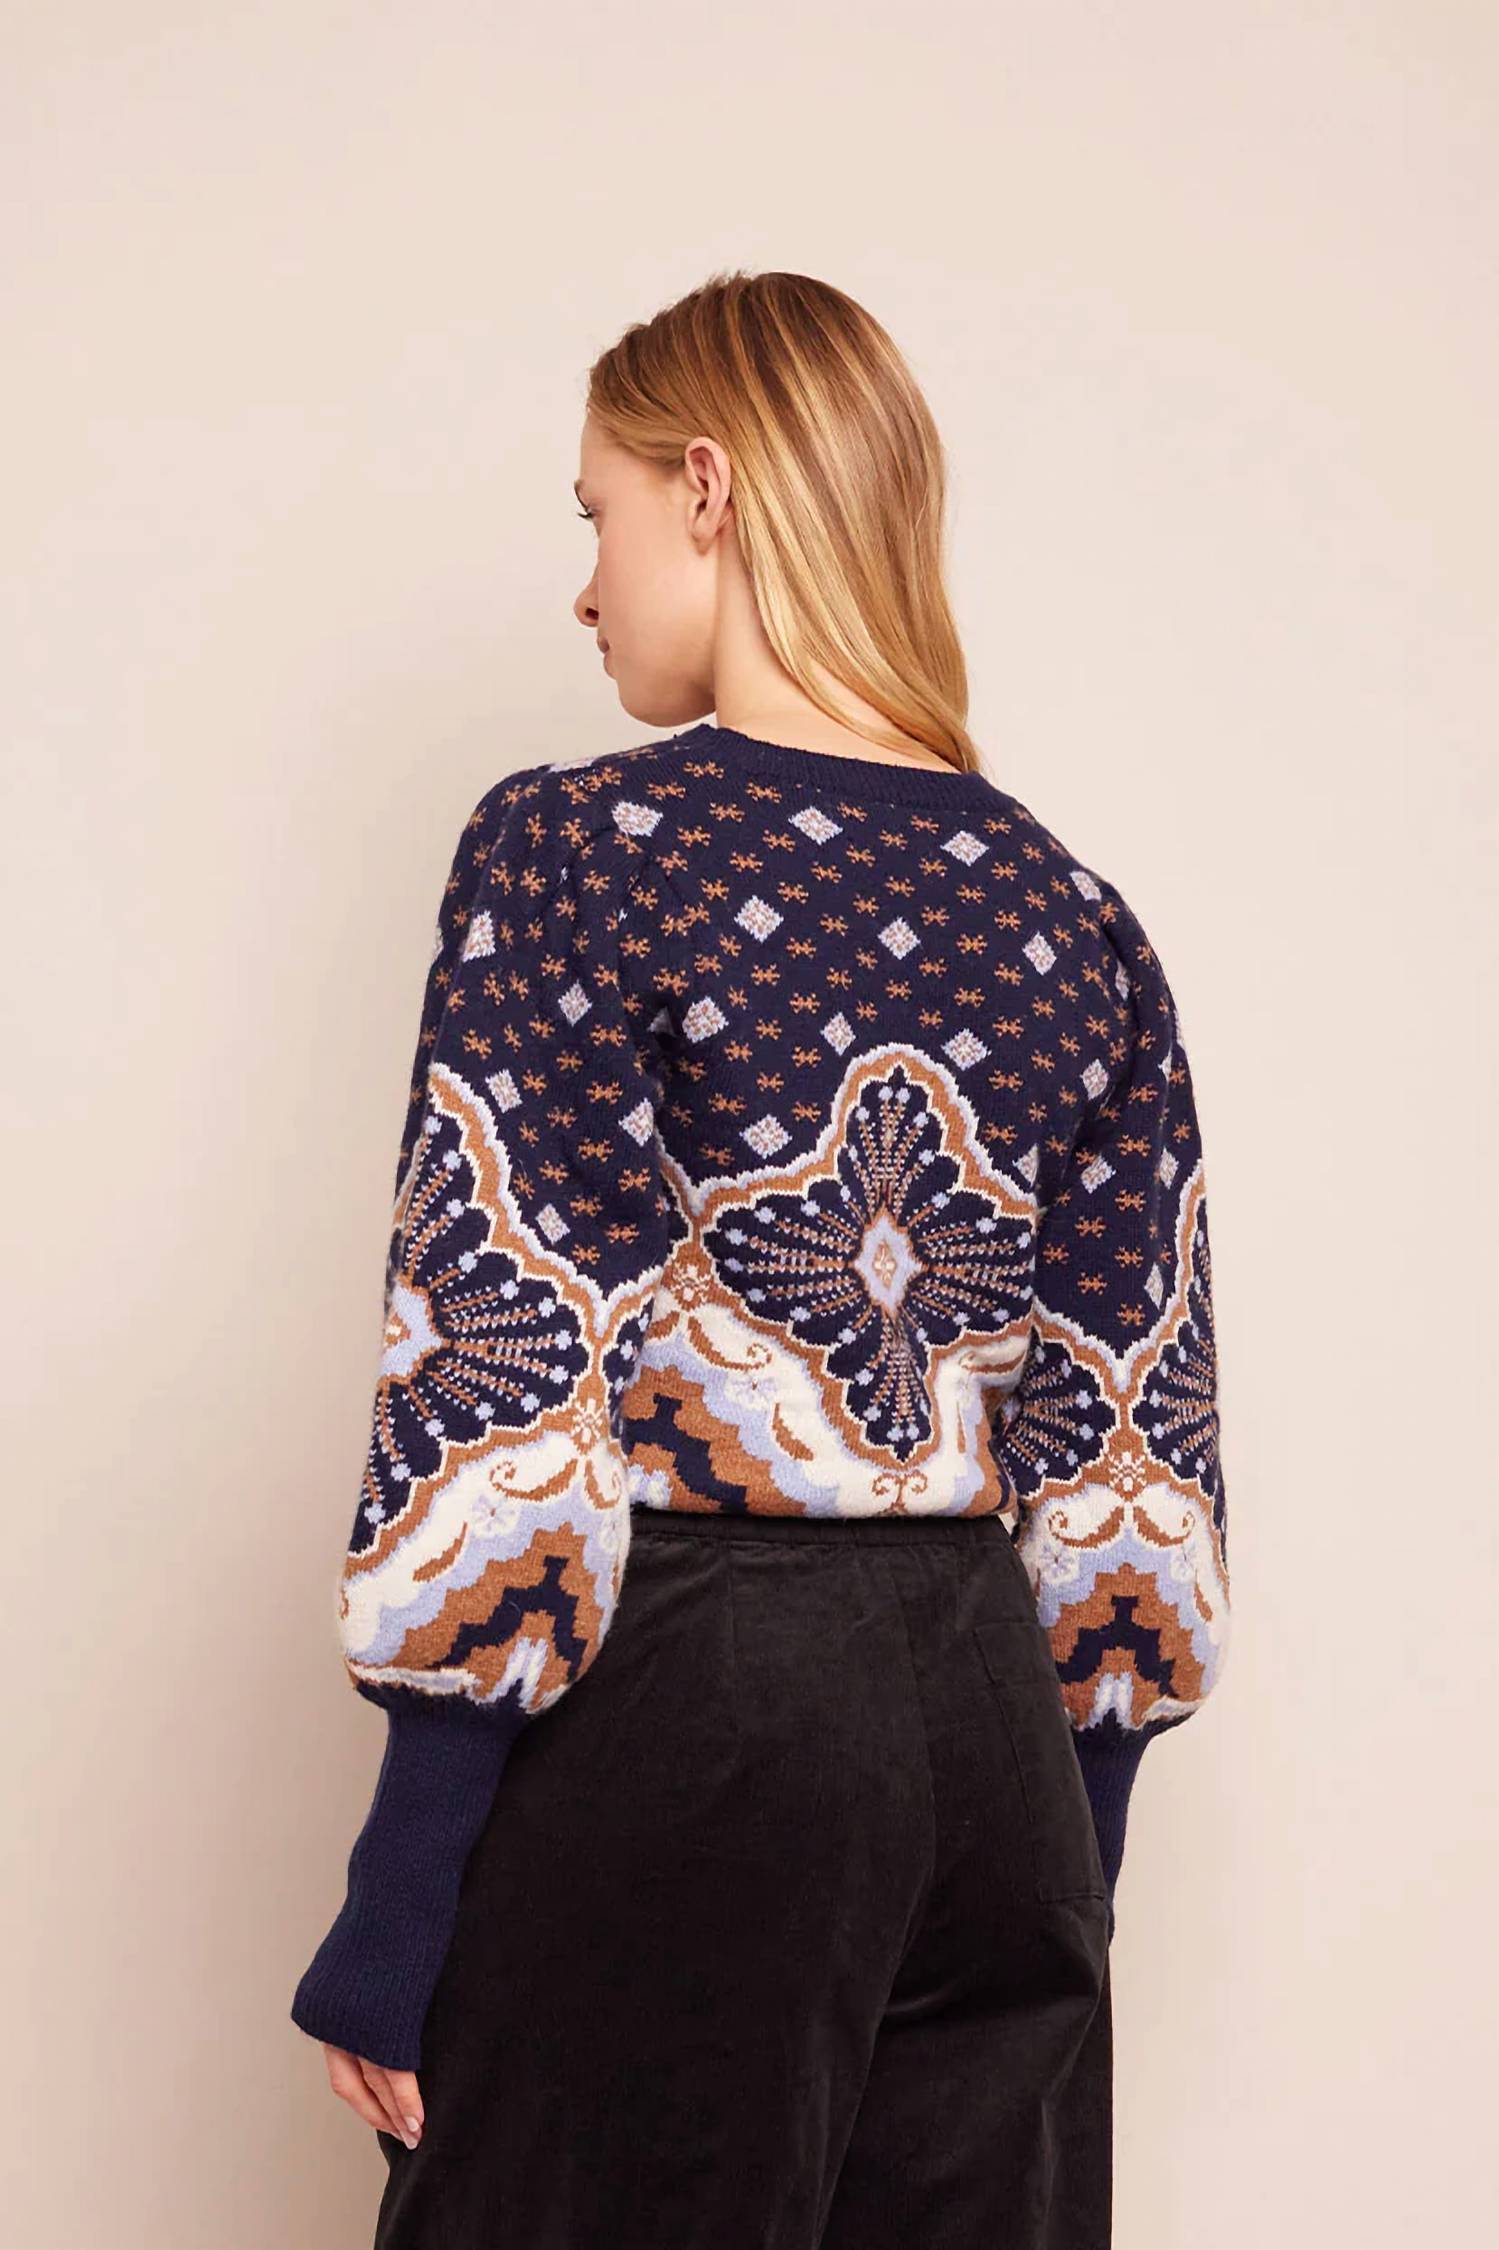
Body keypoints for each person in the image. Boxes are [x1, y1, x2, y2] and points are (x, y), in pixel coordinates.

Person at [289, 267, 1232, 2249]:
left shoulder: (583, 850)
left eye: (599, 514)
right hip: (996, 1744)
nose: (587, 586)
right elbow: (1131, 1430)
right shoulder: (1076, 912)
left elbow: (505, 1343)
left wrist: (403, 1891)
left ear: (708, 489)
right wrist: (1072, 1853)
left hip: (703, 1702)